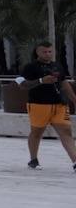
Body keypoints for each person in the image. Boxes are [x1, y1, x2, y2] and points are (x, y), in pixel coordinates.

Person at [20, 41, 76, 171]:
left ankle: (75, 161)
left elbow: (63, 82)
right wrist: (40, 81)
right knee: (36, 133)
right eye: (44, 51)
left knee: (66, 132)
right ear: (37, 52)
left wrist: (73, 98)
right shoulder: (30, 67)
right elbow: (22, 85)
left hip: (59, 105)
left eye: (50, 51)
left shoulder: (57, 66)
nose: (48, 54)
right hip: (38, 105)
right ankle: (33, 159)